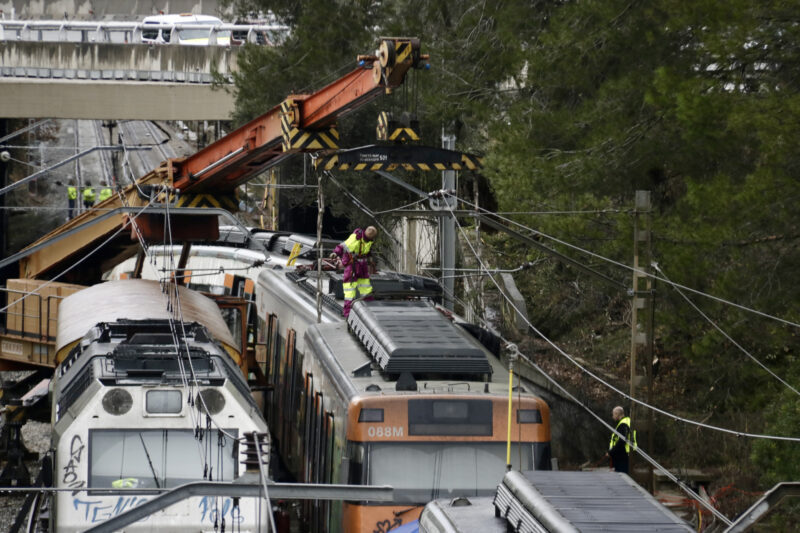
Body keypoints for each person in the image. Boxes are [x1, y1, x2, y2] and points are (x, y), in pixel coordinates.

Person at [330, 226, 378, 317]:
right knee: (349, 290)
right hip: (352, 266)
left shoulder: (367, 240)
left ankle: (369, 308)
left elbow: (366, 250)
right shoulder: (355, 238)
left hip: (362, 266)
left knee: (366, 287)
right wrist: (335, 253)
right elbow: (342, 246)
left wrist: (369, 258)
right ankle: (348, 313)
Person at [605, 406, 636, 474]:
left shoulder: (623, 424)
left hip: (623, 455)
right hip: (626, 453)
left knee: (622, 476)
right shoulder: (626, 421)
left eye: (613, 414)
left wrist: (611, 452)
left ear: (617, 414)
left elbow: (622, 441)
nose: (612, 416)